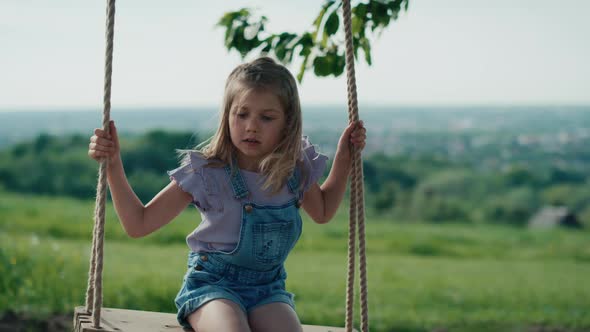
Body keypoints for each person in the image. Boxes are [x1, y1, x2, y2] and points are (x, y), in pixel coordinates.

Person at [88, 57, 366, 332]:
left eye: (266, 117)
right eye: (242, 114)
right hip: (212, 287)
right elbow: (139, 223)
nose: (251, 126)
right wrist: (113, 164)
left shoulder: (292, 171)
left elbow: (324, 211)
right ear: (227, 115)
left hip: (267, 290)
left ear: (288, 122)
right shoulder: (208, 173)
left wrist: (344, 157)